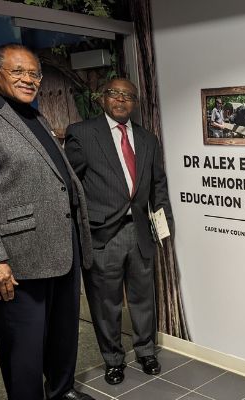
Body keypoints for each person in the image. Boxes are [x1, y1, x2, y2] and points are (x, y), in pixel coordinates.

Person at [0, 43, 94, 400]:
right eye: (19, 72)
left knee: (63, 333)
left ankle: (61, 391)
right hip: (18, 257)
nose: (29, 80)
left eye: (34, 74)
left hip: (61, 246)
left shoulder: (36, 116)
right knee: (23, 348)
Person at [64, 78, 174, 385]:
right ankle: (113, 359)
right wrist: (78, 227)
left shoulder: (148, 139)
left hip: (139, 231)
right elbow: (69, 185)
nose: (122, 100)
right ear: (104, 98)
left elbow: (158, 187)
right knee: (105, 301)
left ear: (135, 102)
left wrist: (164, 229)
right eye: (115, 94)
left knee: (143, 297)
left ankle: (145, 351)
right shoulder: (83, 134)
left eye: (129, 96)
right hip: (102, 234)